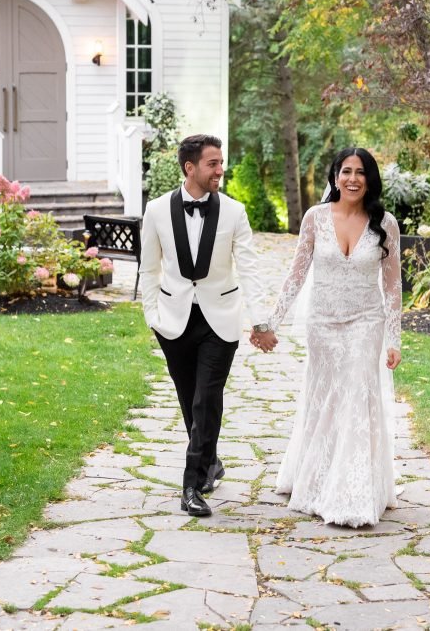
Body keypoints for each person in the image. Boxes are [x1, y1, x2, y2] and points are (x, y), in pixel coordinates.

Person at [259, 147, 403, 527]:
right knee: (325, 400)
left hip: (366, 323)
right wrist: (271, 322)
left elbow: (392, 285)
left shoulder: (385, 223)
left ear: (370, 179)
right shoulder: (315, 218)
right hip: (322, 324)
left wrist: (394, 339)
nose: (353, 179)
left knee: (357, 398)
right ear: (335, 176)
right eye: (346, 171)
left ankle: (352, 494)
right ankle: (316, 478)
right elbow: (296, 274)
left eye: (360, 172)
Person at [139, 134, 277, 517]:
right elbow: (148, 269)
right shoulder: (156, 210)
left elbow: (250, 269)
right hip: (173, 321)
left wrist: (260, 320)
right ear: (190, 167)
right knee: (190, 401)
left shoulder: (234, 212)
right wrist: (152, 316)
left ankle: (192, 486)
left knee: (206, 400)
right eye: (213, 164)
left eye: (221, 163)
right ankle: (210, 461)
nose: (220, 170)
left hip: (220, 320)